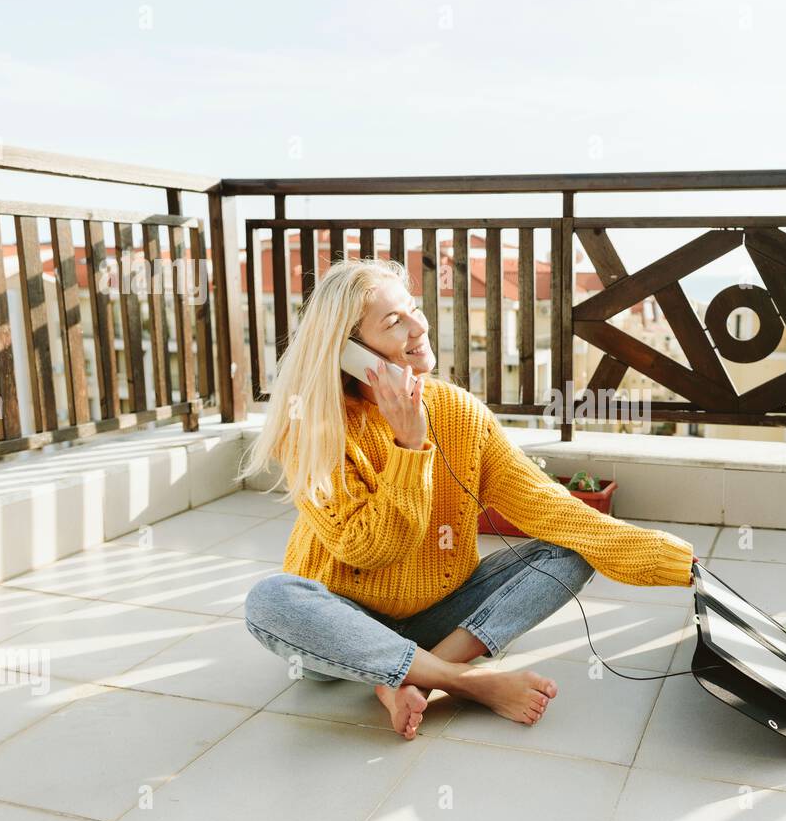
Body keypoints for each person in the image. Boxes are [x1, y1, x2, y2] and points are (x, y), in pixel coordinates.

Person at [237, 257, 698, 741]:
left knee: (572, 546)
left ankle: (411, 674)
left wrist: (672, 559)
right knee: (270, 600)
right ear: (350, 352)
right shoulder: (314, 429)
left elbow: (549, 508)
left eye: (413, 309)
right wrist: (409, 448)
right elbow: (370, 550)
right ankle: (463, 681)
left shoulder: (458, 411)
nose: (420, 326)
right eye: (394, 322)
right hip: (343, 625)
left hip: (435, 615)